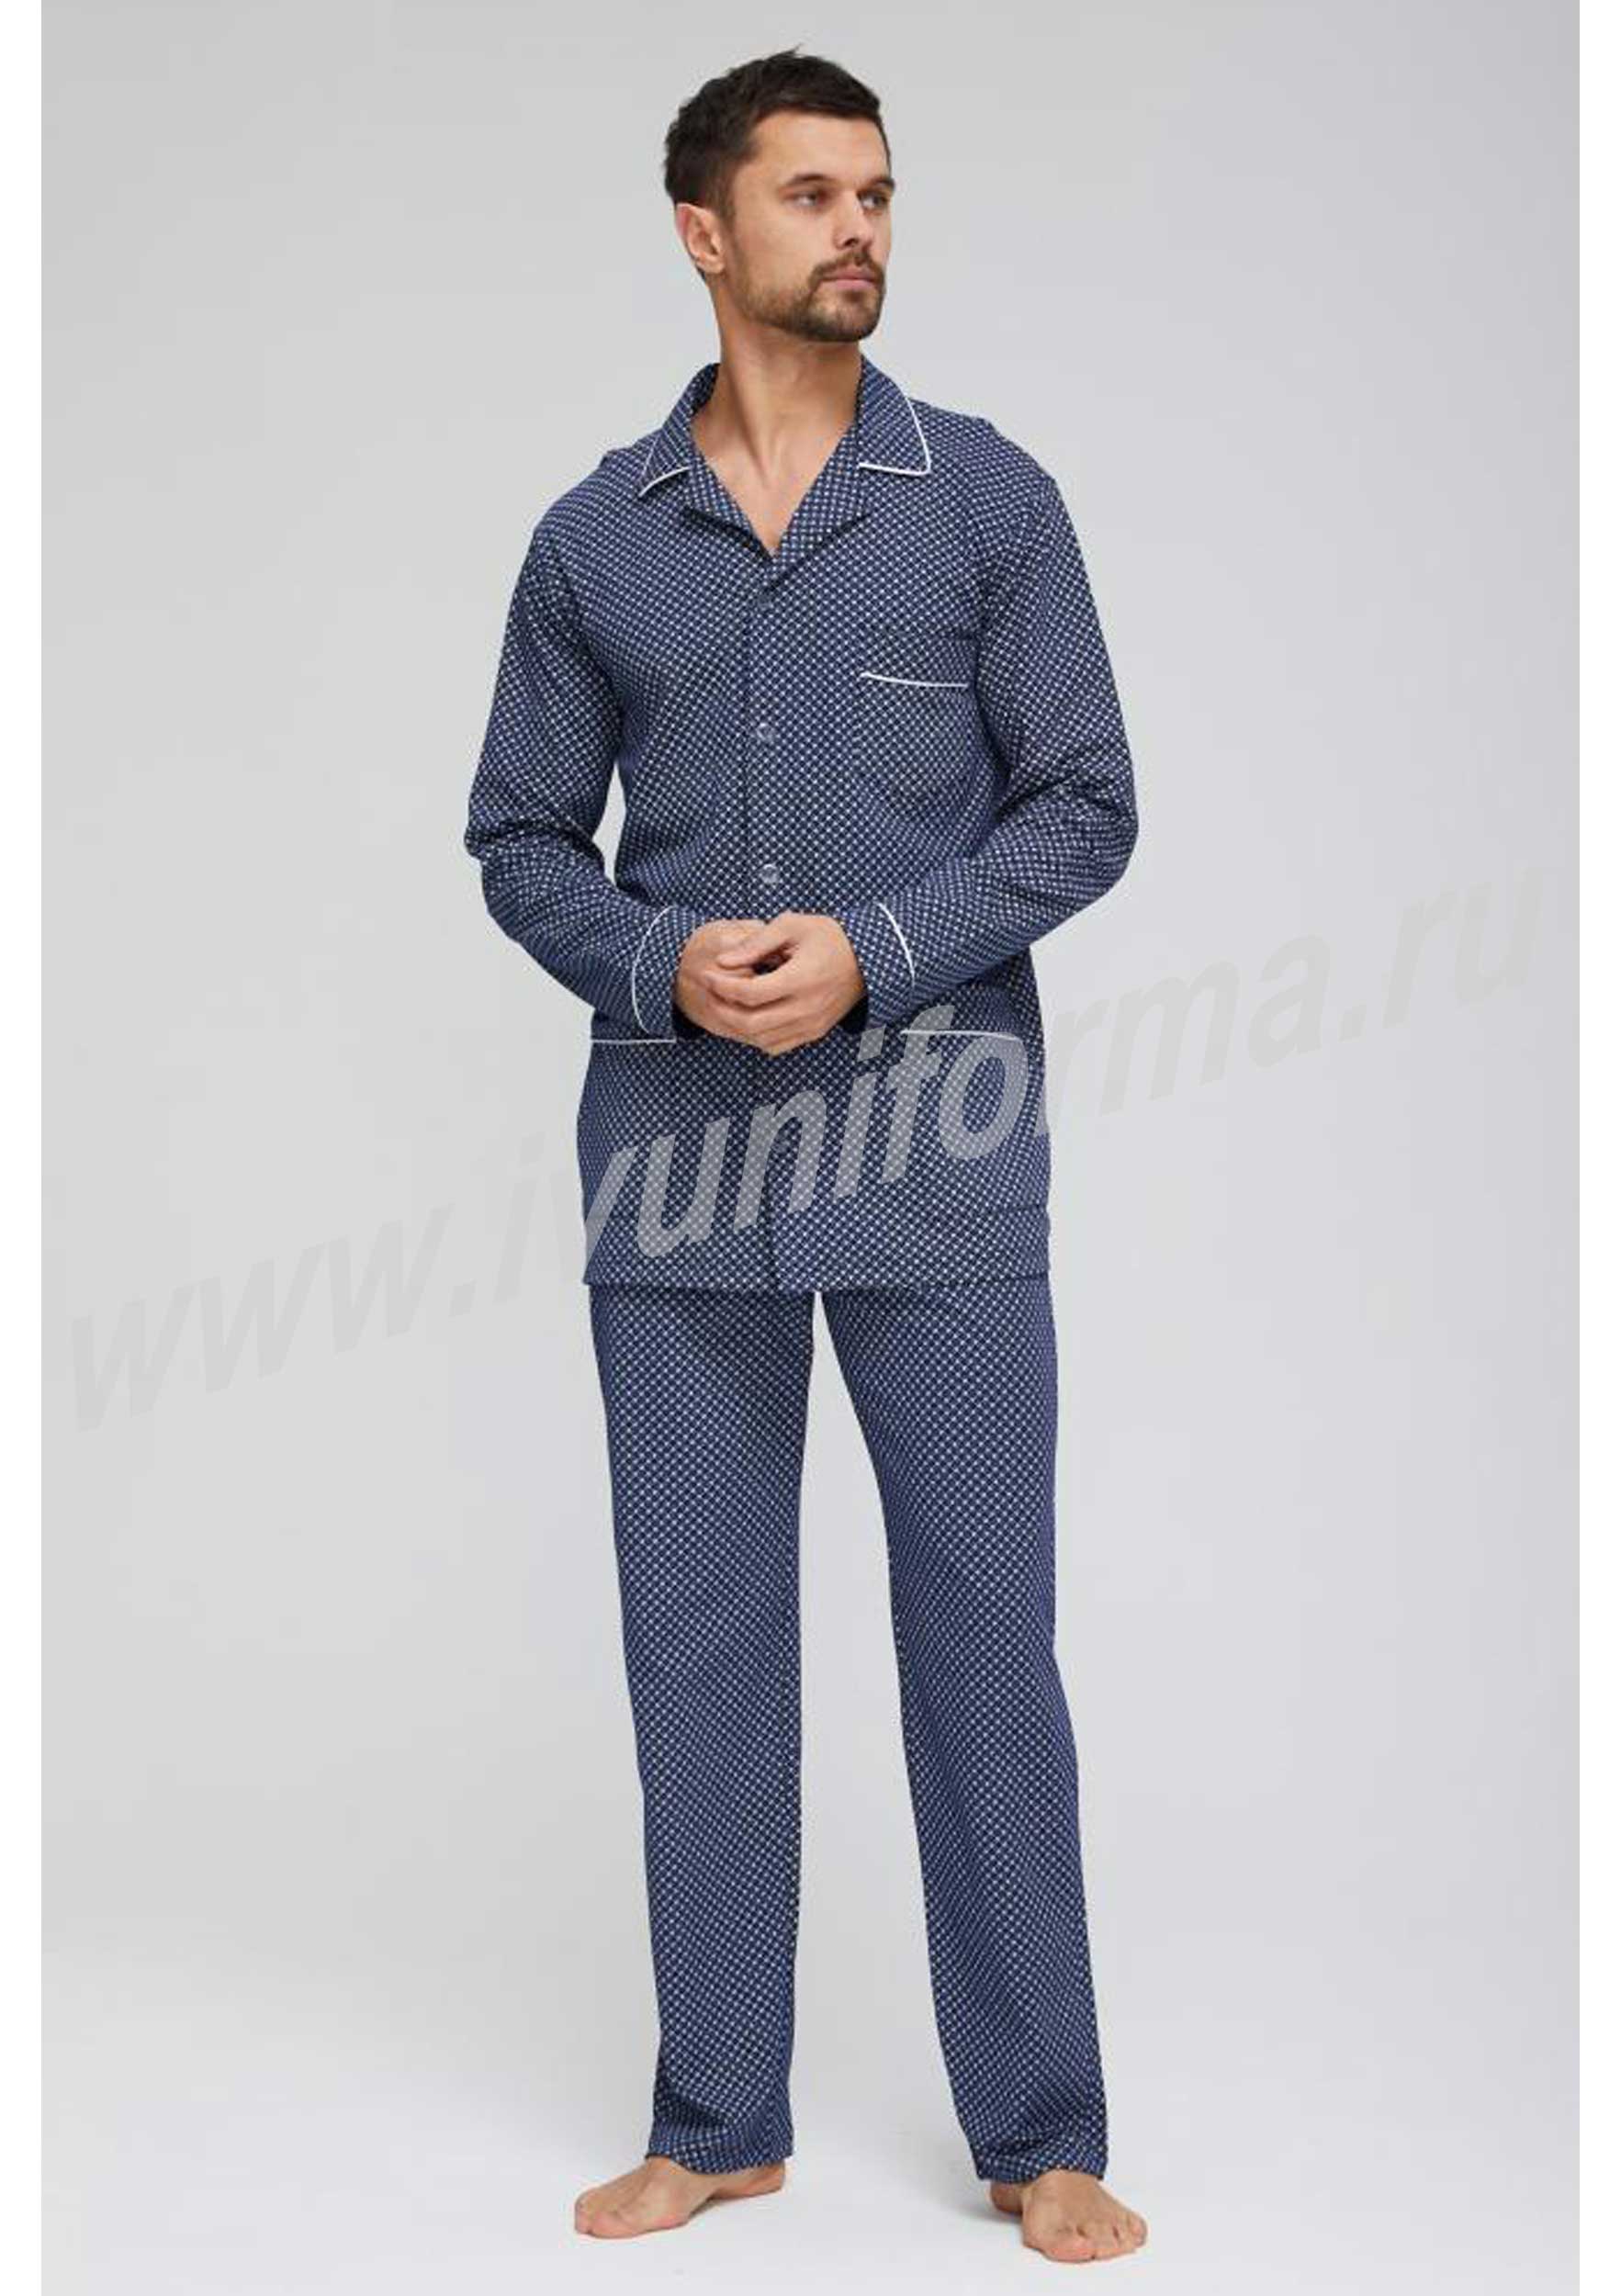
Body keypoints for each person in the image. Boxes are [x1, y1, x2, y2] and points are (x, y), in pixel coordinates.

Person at [463, 45, 1148, 2268]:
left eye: (876, 194)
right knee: (699, 1648)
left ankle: (1041, 2128)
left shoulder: (991, 506)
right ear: (704, 232)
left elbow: (1086, 804)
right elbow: (515, 835)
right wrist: (659, 961)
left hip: (943, 1161)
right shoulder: (594, 540)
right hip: (674, 1182)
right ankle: (717, 2116)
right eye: (810, 195)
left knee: (984, 1641)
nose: (857, 229)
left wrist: (879, 949)